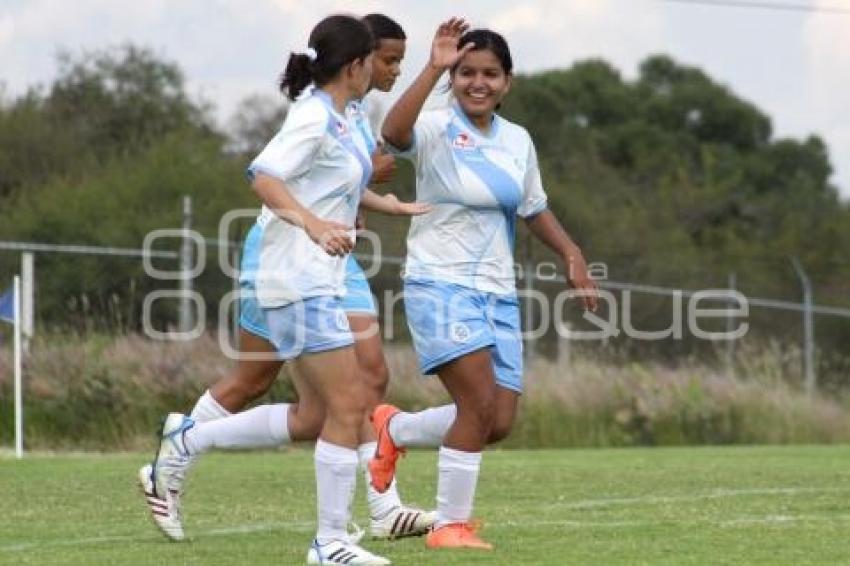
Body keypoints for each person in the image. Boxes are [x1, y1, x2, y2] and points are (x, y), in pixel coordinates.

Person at [139, 15, 411, 565]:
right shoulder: (314, 116)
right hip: (295, 275)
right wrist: (311, 224)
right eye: (375, 62)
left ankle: (189, 439)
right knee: (350, 400)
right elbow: (263, 175)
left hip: (315, 277)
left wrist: (391, 207)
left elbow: (334, 186)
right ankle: (331, 542)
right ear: (355, 66)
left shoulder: (339, 116)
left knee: (317, 416)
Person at [371, 19, 598, 551]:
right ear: (454, 76)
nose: (478, 82)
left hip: (497, 292)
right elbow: (394, 136)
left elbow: (533, 207)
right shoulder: (434, 125)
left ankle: (394, 431)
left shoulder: (517, 140)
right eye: (467, 72)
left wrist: (572, 253)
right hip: (439, 282)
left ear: (507, 81)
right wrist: (432, 67)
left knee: (498, 421)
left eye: (490, 74)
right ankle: (450, 526)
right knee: (476, 407)